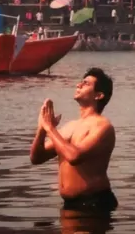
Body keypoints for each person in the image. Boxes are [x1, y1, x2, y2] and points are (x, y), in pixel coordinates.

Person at [30, 67, 118, 213]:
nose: (78, 85)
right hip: (70, 205)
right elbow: (36, 158)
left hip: (94, 202)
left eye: (86, 83)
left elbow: (74, 156)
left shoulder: (103, 126)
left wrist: (50, 128)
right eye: (80, 82)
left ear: (99, 95)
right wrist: (41, 129)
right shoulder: (70, 126)